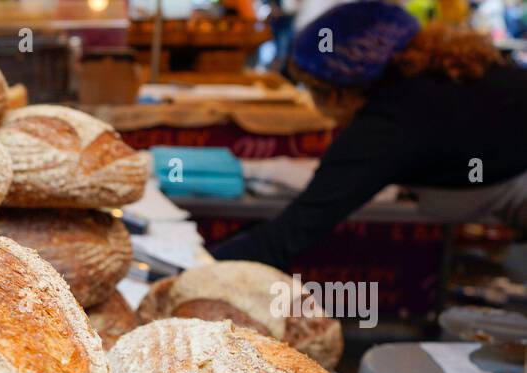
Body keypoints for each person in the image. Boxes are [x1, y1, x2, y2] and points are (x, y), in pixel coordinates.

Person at [214, 2, 527, 269]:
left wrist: (194, 271)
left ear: (335, 93)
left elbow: (291, 234)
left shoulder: (383, 126)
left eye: (310, 90)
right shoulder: (453, 70)